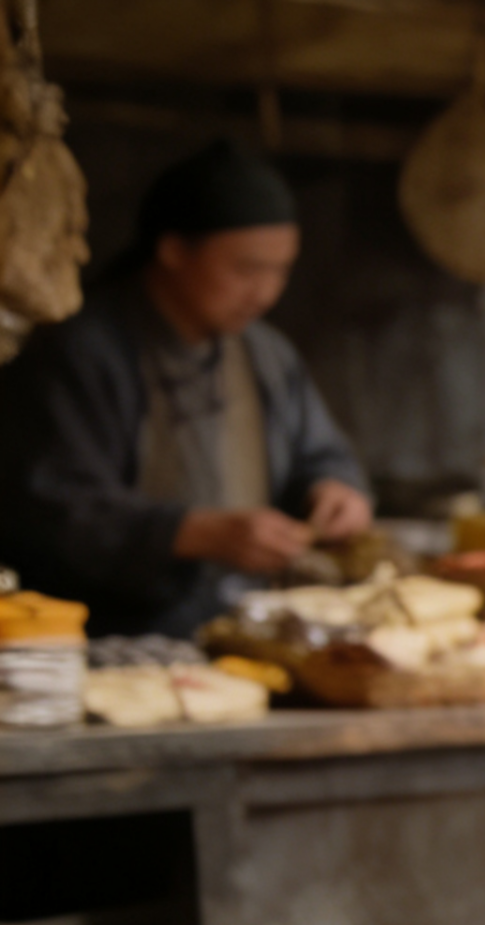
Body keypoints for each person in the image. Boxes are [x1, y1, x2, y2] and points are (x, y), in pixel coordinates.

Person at [0, 139, 370, 637]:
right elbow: (50, 506)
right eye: (246, 269)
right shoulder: (83, 350)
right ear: (173, 250)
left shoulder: (267, 353)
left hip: (247, 631)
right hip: (112, 635)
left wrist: (335, 489)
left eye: (281, 270)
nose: (265, 293)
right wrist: (191, 533)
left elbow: (321, 453)